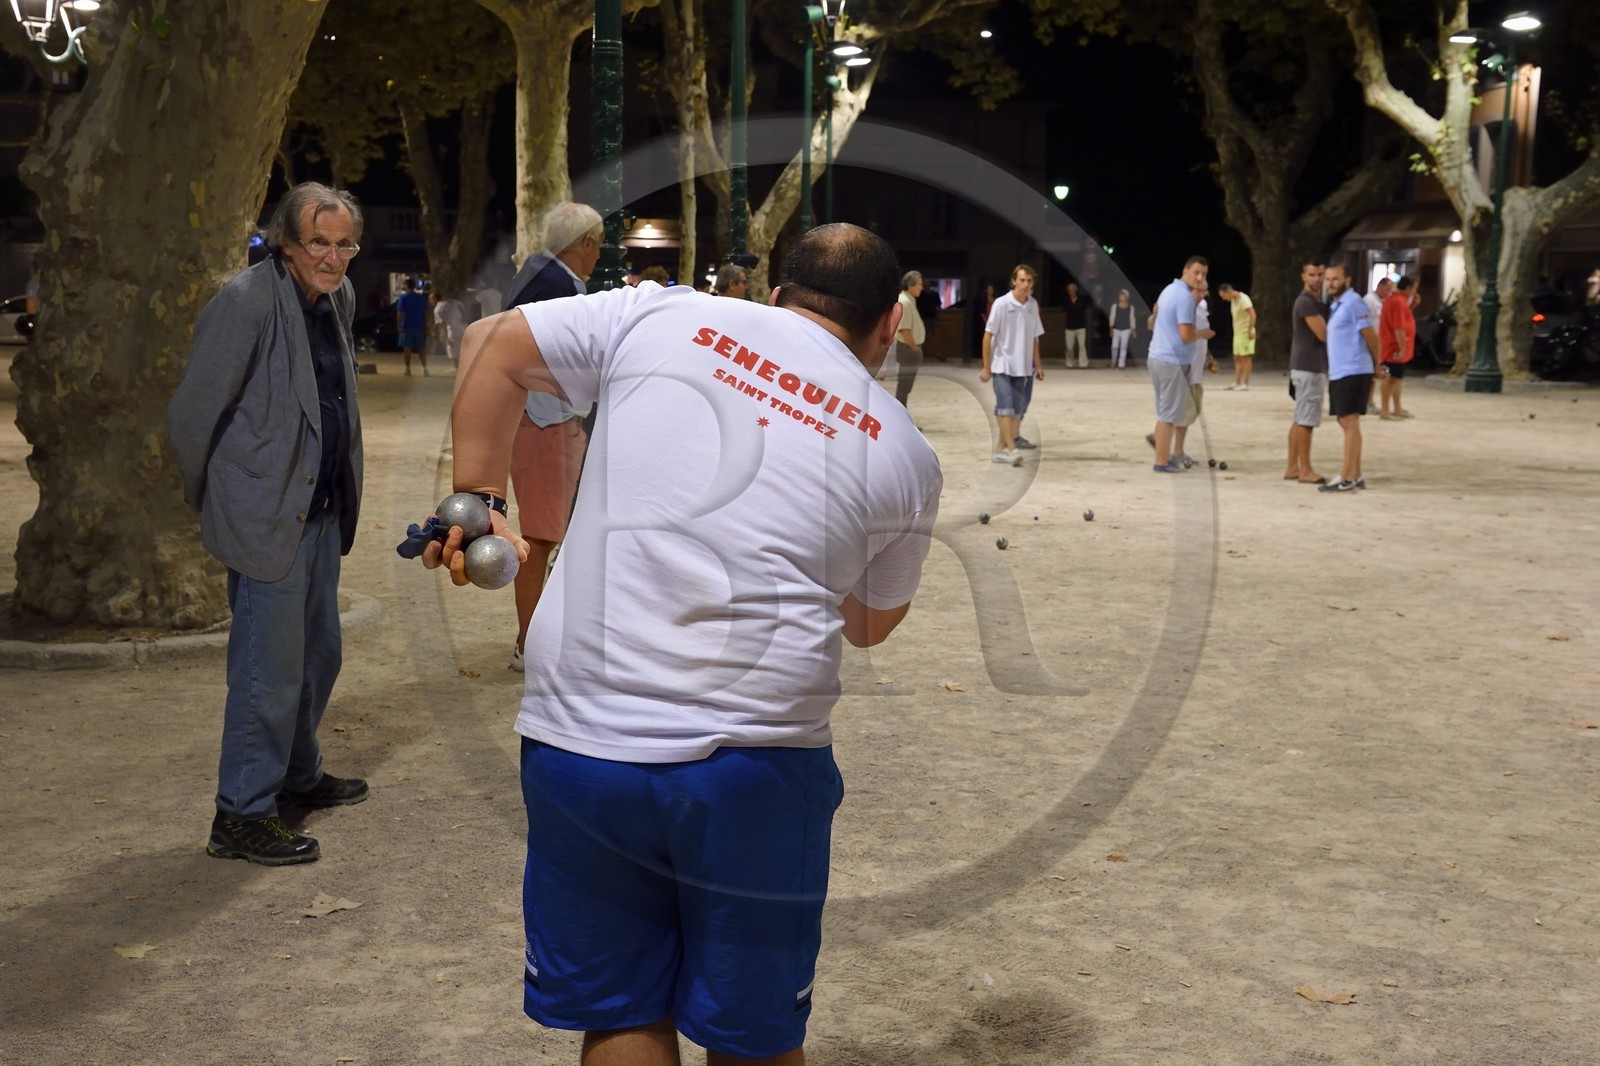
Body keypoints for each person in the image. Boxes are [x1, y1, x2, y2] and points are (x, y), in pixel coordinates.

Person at [421, 222, 940, 1066]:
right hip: (756, 764)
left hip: (580, 742)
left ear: (774, 293)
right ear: (890, 325)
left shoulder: (664, 315)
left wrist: (476, 501)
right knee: (752, 1036)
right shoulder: (905, 452)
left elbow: (490, 344)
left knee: (622, 1014)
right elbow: (868, 624)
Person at [167, 182, 368, 866]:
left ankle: (295, 775)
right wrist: (225, 500)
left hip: (319, 508)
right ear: (287, 242)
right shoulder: (246, 301)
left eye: (344, 244)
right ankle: (242, 814)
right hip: (266, 515)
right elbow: (193, 416)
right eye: (320, 242)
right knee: (267, 672)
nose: (333, 257)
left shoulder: (334, 298)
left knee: (318, 654)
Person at [501, 201, 601, 672]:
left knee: (546, 534)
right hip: (546, 422)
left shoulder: (537, 274)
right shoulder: (561, 286)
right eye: (598, 246)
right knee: (541, 537)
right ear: (584, 244)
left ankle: (535, 638)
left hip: (539, 419)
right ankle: (529, 644)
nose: (599, 256)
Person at [1146, 256, 1212, 472]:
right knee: (1169, 415)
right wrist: (1204, 334)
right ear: (1186, 270)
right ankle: (1162, 461)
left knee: (1165, 412)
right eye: (1197, 272)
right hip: (1172, 361)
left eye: (1203, 274)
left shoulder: (1168, 290)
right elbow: (1185, 334)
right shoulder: (1183, 296)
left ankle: (1164, 456)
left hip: (1157, 357)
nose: (1200, 277)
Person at [1320, 261, 1379, 493]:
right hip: (1341, 371)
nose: (1330, 283)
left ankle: (1347, 476)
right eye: (1328, 279)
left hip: (1353, 370)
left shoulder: (1354, 303)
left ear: (1347, 280)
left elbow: (1371, 337)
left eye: (1335, 279)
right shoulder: (1338, 305)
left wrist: (1377, 364)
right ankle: (1356, 474)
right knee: (1347, 422)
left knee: (1349, 421)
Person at [981, 264, 1045, 464]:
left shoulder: (1032, 305)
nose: (1025, 284)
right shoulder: (1001, 304)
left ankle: (1000, 450)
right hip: (1001, 365)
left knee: (1014, 410)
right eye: (1022, 280)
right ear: (1014, 281)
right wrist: (986, 366)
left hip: (1023, 368)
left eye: (1029, 280)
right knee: (1006, 408)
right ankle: (1012, 449)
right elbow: (987, 336)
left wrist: (1038, 365)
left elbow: (1035, 338)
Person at [1285, 261, 1329, 485]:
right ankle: (1306, 470)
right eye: (1312, 274)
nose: (1317, 279)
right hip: (1309, 368)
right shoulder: (1306, 302)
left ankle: (1293, 467)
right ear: (1303, 276)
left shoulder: (1314, 302)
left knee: (1300, 418)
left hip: (1304, 367)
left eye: (1321, 274)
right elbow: (1324, 334)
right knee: (1306, 420)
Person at [1173, 281, 1216, 467]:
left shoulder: (1202, 307)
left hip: (1197, 368)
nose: (1200, 295)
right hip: (1185, 368)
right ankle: (1177, 452)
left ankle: (1165, 441)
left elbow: (1201, 338)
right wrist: (1203, 334)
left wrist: (1208, 357)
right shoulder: (1183, 308)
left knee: (1192, 410)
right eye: (1196, 291)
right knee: (1185, 412)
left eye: (1203, 291)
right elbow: (1185, 335)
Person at [1378, 275, 1418, 419]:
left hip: (1393, 345)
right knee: (1390, 378)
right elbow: (1399, 327)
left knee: (1397, 377)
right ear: (1407, 288)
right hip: (1393, 346)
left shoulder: (1395, 300)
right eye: (1413, 288)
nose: (1414, 292)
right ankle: (1385, 410)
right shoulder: (1398, 302)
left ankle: (1396, 407)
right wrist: (1402, 348)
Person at [893, 270, 926, 409]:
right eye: (919, 284)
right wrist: (915, 348)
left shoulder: (908, 301)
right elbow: (905, 330)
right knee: (904, 386)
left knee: (906, 386)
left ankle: (901, 417)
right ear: (910, 285)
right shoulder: (904, 302)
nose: (922, 287)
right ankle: (899, 419)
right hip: (908, 348)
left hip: (910, 348)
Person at [1217, 282, 1255, 389]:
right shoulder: (1234, 301)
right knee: (1238, 357)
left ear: (1228, 292)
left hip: (1245, 331)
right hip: (1238, 332)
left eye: (1224, 296)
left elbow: (1252, 314)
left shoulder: (1243, 299)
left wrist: (1250, 330)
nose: (1224, 299)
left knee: (1246, 357)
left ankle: (1245, 383)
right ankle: (1237, 382)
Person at [396, 277, 430, 376]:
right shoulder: (420, 298)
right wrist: (426, 324)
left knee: (407, 348)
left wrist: (399, 325)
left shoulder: (403, 298)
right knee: (421, 348)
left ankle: (407, 369)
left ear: (406, 286)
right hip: (419, 325)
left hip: (407, 325)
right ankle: (425, 369)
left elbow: (400, 312)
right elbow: (425, 312)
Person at [1062, 280, 1091, 368]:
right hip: (1069, 326)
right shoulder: (1066, 301)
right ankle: (1070, 363)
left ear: (1076, 290)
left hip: (1081, 326)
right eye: (1069, 290)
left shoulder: (1082, 300)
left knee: (1082, 346)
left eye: (1073, 289)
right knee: (1069, 347)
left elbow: (1086, 308)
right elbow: (1064, 311)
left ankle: (1083, 363)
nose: (1071, 291)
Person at [1108, 289, 1137, 369]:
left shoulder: (1131, 308)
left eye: (1123, 295)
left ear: (1127, 297)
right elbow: (1112, 317)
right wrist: (1111, 328)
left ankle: (1121, 364)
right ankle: (1113, 361)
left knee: (1123, 346)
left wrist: (1133, 330)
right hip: (1116, 329)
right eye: (1120, 295)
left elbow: (1132, 319)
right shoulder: (1115, 306)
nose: (1121, 297)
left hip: (1126, 329)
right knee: (1114, 346)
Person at [434, 292, 465, 363]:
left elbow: (442, 324)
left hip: (451, 331)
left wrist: (445, 336)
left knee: (453, 351)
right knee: (461, 349)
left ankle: (458, 369)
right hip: (462, 328)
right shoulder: (454, 302)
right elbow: (463, 307)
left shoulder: (437, 309)